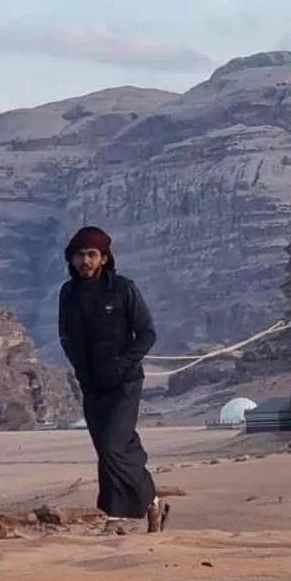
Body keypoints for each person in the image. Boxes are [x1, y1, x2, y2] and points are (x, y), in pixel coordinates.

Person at [58, 226, 168, 531]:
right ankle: (152, 502)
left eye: (92, 254)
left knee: (111, 446)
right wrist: (79, 367)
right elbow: (65, 336)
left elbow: (147, 333)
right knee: (117, 447)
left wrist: (123, 364)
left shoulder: (123, 289)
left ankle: (116, 517)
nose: (85, 261)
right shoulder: (68, 293)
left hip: (125, 383)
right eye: (79, 255)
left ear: (104, 258)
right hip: (91, 385)